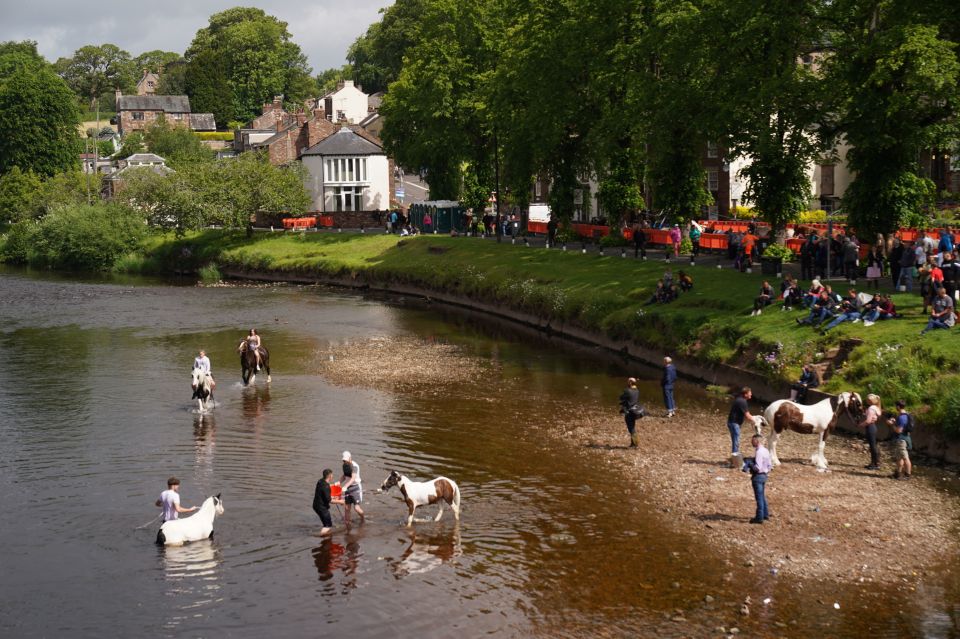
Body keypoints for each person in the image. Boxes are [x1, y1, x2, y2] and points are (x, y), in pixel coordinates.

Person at [744, 434, 772, 524]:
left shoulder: (759, 452)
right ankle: (765, 514)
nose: (751, 442)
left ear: (757, 441)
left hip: (758, 477)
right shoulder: (766, 451)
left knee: (759, 497)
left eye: (753, 440)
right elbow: (769, 465)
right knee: (762, 496)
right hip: (764, 476)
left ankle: (759, 517)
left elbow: (758, 468)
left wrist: (749, 464)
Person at [888, 400, 913, 480]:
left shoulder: (901, 417)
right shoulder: (906, 415)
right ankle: (897, 474)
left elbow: (899, 430)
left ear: (898, 406)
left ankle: (907, 475)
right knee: (900, 457)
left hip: (901, 440)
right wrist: (895, 422)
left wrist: (891, 424)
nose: (895, 407)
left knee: (905, 458)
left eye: (896, 406)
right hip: (904, 438)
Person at [313, 468, 343, 536]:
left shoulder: (320, 481)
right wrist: (340, 501)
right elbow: (330, 501)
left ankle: (324, 535)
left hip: (316, 505)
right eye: (332, 475)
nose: (332, 476)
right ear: (330, 476)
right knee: (328, 525)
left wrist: (332, 496)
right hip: (322, 508)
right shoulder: (326, 487)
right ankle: (321, 536)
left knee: (325, 523)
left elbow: (324, 494)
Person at [727, 387, 755, 458]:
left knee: (735, 441)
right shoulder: (742, 401)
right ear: (745, 394)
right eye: (750, 393)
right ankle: (735, 458)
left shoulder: (740, 400)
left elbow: (747, 414)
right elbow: (748, 416)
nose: (751, 394)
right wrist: (757, 420)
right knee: (736, 442)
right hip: (734, 424)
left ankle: (734, 456)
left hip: (732, 423)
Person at [618, 377, 645, 447]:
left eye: (628, 382)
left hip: (629, 412)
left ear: (630, 382)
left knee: (631, 429)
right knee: (632, 426)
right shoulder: (637, 390)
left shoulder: (627, 391)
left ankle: (635, 443)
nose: (627, 382)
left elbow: (621, 397)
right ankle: (633, 443)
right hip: (634, 411)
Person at [340, 451, 365, 524]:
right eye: (344, 460)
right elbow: (344, 476)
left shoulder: (354, 466)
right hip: (348, 488)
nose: (345, 462)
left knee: (357, 508)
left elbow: (353, 478)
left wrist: (344, 486)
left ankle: (363, 519)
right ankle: (348, 524)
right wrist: (338, 482)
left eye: (346, 460)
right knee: (347, 508)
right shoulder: (345, 465)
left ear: (350, 458)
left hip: (356, 488)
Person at [859, 394, 882, 470]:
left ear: (869, 401)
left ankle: (875, 464)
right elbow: (875, 416)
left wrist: (861, 425)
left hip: (870, 427)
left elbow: (868, 421)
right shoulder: (876, 407)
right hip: (873, 427)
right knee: (874, 446)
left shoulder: (871, 408)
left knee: (872, 447)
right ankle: (875, 463)